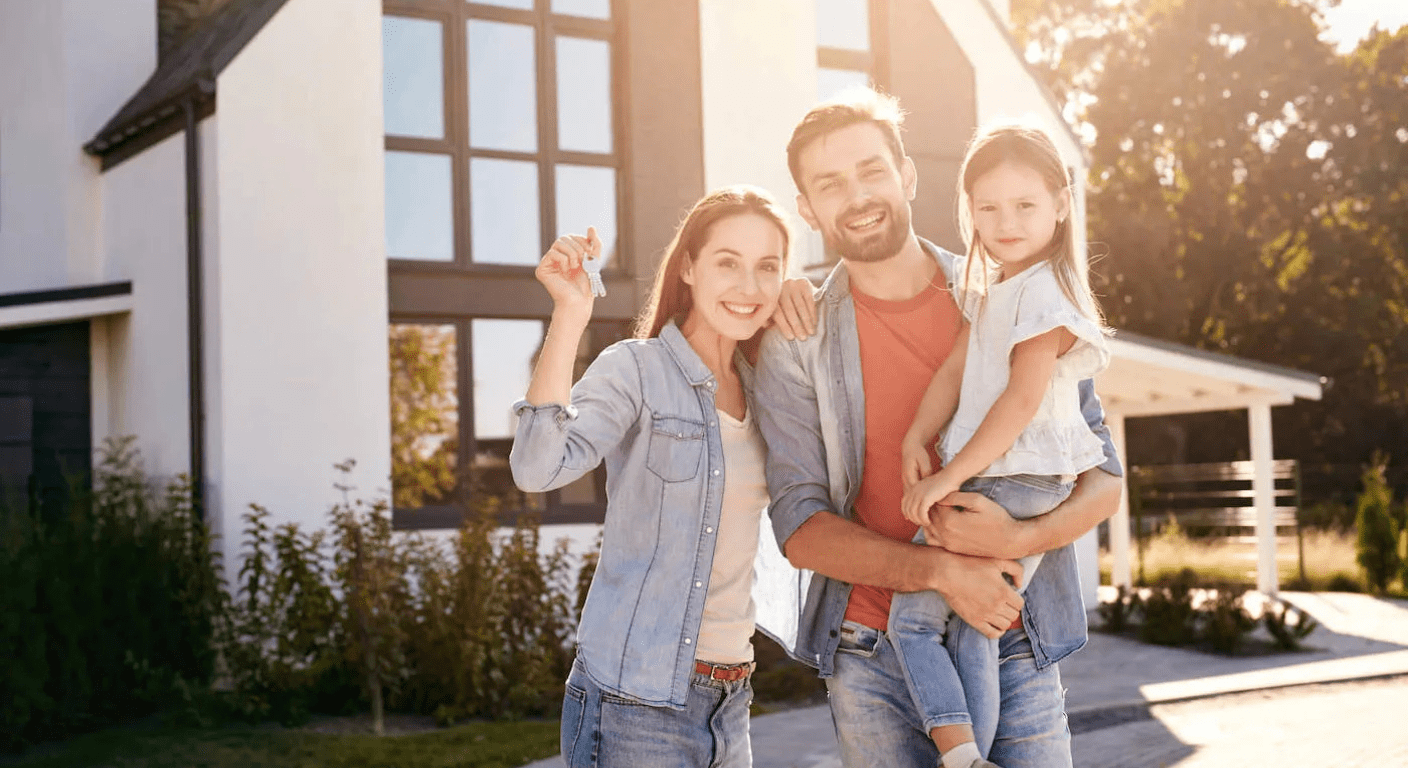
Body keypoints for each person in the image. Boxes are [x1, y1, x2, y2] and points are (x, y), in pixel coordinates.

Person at [752, 88, 1123, 768]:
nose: (858, 196)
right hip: (871, 652)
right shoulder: (795, 337)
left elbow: (1103, 481)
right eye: (830, 184)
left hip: (1011, 631)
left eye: (872, 170)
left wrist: (1021, 537)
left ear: (908, 176)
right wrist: (941, 572)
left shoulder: (1004, 292)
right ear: (807, 209)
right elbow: (799, 528)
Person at [509, 186, 792, 768]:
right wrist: (570, 313)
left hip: (731, 698)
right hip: (634, 700)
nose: (749, 287)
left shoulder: (770, 389)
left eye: (768, 267)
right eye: (727, 263)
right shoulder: (636, 369)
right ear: (688, 266)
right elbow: (537, 468)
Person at [885, 122, 1112, 768]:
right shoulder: (995, 290)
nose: (1005, 222)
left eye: (1025, 205)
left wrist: (945, 477)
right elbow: (955, 371)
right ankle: (969, 758)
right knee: (976, 625)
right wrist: (915, 434)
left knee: (915, 624)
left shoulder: (1046, 291)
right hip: (1011, 474)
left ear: (1061, 205)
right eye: (988, 208)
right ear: (970, 212)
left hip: (1016, 477)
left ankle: (962, 759)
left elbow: (1019, 402)